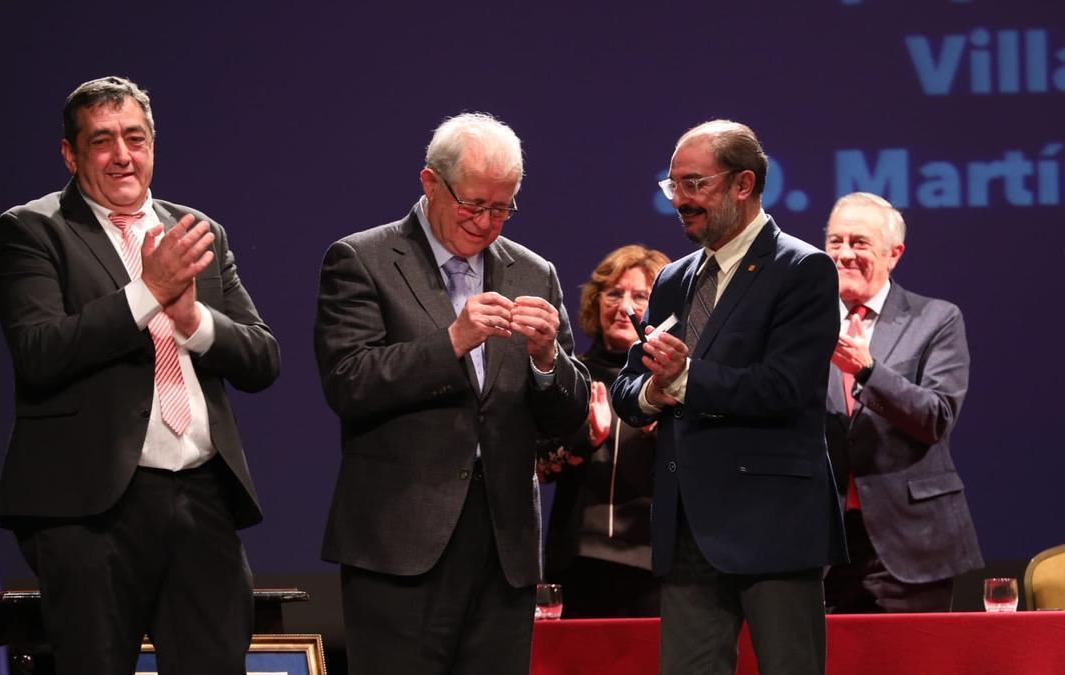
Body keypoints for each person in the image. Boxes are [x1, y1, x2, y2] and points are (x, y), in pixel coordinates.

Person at [0, 76, 280, 675]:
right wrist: (148, 291)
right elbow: (40, 352)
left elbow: (261, 358)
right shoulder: (34, 230)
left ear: (152, 144)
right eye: (102, 141)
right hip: (91, 510)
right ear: (71, 154)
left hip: (203, 497)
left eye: (135, 137)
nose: (122, 155)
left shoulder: (196, 230)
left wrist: (194, 318)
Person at [314, 112, 590, 675]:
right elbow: (350, 382)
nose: (487, 222)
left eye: (502, 207)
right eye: (472, 204)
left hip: (504, 546)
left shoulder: (533, 273)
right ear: (430, 183)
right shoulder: (362, 259)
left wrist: (546, 361)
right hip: (400, 544)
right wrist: (454, 340)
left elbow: (569, 414)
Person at [611, 120, 846, 675]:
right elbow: (627, 390)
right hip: (687, 528)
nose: (680, 202)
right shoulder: (671, 278)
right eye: (673, 187)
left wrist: (686, 379)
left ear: (744, 184)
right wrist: (650, 390)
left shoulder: (803, 269)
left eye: (694, 185)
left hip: (773, 526)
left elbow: (785, 387)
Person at [821, 192, 983, 613]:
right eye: (835, 242)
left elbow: (937, 417)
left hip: (912, 540)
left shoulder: (936, 319)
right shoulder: (802, 323)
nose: (844, 254)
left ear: (894, 254)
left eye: (859, 243)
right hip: (825, 542)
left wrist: (869, 371)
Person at [537, 244, 669, 618]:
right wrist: (585, 440)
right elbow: (538, 467)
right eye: (613, 293)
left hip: (655, 566)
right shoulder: (570, 376)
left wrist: (662, 434)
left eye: (640, 295)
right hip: (579, 561)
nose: (624, 306)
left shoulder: (675, 384)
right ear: (596, 302)